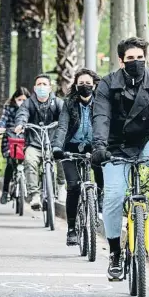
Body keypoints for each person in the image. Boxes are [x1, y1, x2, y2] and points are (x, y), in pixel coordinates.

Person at [91, 37, 149, 281]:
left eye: (140, 58)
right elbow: (101, 117)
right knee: (113, 196)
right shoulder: (107, 85)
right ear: (121, 61)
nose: (136, 62)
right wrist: (99, 145)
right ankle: (114, 254)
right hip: (115, 145)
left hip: (148, 138)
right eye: (131, 58)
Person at [51, 68, 104, 246]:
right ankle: (72, 229)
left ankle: (100, 198)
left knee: (101, 168)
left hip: (94, 146)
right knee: (73, 187)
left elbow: (106, 126)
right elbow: (62, 127)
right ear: (75, 85)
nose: (85, 86)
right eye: (81, 83)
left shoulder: (101, 103)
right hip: (69, 148)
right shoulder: (69, 103)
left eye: (88, 83)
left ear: (94, 85)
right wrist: (57, 147)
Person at [14, 74, 67, 210]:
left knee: (61, 157)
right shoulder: (28, 103)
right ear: (34, 87)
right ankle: (35, 195)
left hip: (54, 142)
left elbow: (65, 116)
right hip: (34, 143)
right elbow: (22, 114)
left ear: (50, 87)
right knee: (30, 160)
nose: (41, 87)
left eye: (44, 84)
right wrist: (21, 124)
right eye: (39, 84)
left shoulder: (58, 102)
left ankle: (61, 187)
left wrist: (66, 126)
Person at [0, 87, 31, 204]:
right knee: (10, 164)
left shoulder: (31, 108)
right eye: (19, 99)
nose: (21, 101)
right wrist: (1, 127)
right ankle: (5, 191)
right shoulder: (9, 107)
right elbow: (3, 119)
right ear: (14, 99)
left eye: (24, 99)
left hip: (26, 139)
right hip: (10, 139)